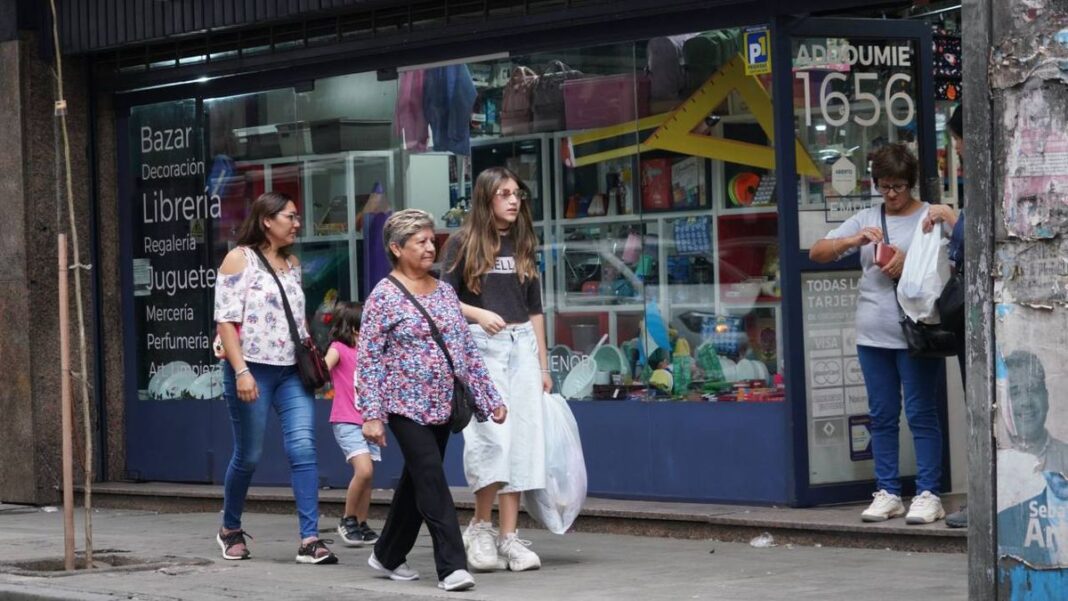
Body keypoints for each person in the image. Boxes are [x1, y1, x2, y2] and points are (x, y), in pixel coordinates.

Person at [357, 209, 507, 592]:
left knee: (416, 481)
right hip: (404, 407)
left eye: (430, 239)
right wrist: (371, 415)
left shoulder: (443, 291)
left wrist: (490, 398)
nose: (430, 247)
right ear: (396, 248)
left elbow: (465, 351)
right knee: (432, 478)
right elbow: (369, 360)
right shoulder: (383, 297)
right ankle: (452, 566)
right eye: (420, 241)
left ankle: (388, 553)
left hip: (443, 404)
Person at [810, 143, 947, 524]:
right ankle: (887, 490)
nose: (891, 195)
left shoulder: (930, 217)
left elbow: (951, 263)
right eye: (884, 186)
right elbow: (817, 252)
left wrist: (910, 264)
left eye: (899, 187)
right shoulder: (866, 217)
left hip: (919, 331)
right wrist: (851, 242)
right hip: (873, 334)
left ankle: (929, 492)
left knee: (921, 413)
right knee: (882, 415)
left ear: (911, 183)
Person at [213, 191, 337, 564]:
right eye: (290, 217)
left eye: (297, 217)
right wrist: (241, 371)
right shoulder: (239, 259)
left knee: (303, 449)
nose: (297, 224)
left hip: (291, 373)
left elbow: (297, 320)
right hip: (251, 369)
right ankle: (230, 527)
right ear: (267, 220)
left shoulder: (293, 262)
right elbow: (226, 320)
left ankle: (310, 539)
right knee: (248, 455)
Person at [440, 167, 550, 573]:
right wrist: (478, 313)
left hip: (521, 344)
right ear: (486, 198)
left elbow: (535, 307)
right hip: (482, 347)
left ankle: (509, 536)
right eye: (504, 193)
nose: (513, 200)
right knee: (491, 440)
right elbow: (443, 298)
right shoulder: (462, 242)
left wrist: (544, 363)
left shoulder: (523, 242)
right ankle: (480, 527)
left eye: (517, 193)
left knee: (522, 442)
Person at [923, 104, 968, 528]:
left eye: (956, 140)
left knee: (983, 404)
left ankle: (984, 501)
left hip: (982, 318)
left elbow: (972, 239)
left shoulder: (991, 174)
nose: (956, 148)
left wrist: (951, 217)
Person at [997, 351, 1068, 565]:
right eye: (1015, 392)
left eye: (1033, 390)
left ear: (1046, 397)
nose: (1026, 402)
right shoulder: (995, 465)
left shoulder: (1065, 458)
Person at [324, 301, 381, 547]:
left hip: (369, 421)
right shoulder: (339, 348)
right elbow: (323, 368)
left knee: (368, 476)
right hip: (346, 419)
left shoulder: (370, 354)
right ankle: (347, 519)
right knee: (364, 470)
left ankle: (361, 521)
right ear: (355, 328)